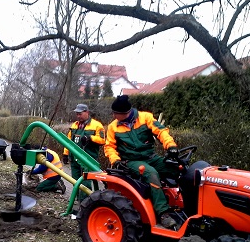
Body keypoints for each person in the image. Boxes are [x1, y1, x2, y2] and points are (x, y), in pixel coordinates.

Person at [104, 95, 180, 229]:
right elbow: (109, 146)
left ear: (125, 113)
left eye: (115, 113)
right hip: (131, 161)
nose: (114, 115)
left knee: (177, 169)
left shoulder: (146, 118)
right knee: (151, 174)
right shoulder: (113, 127)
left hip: (151, 157)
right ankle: (163, 213)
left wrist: (171, 146)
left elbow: (161, 131)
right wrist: (115, 161)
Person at [62, 103, 105, 201]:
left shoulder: (96, 125)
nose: (78, 116)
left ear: (87, 112)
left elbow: (102, 140)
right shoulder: (74, 125)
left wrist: (90, 138)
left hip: (88, 158)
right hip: (74, 158)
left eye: (80, 113)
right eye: (77, 114)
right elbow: (68, 141)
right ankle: (78, 201)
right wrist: (65, 153)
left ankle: (85, 202)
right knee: (75, 181)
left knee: (85, 182)